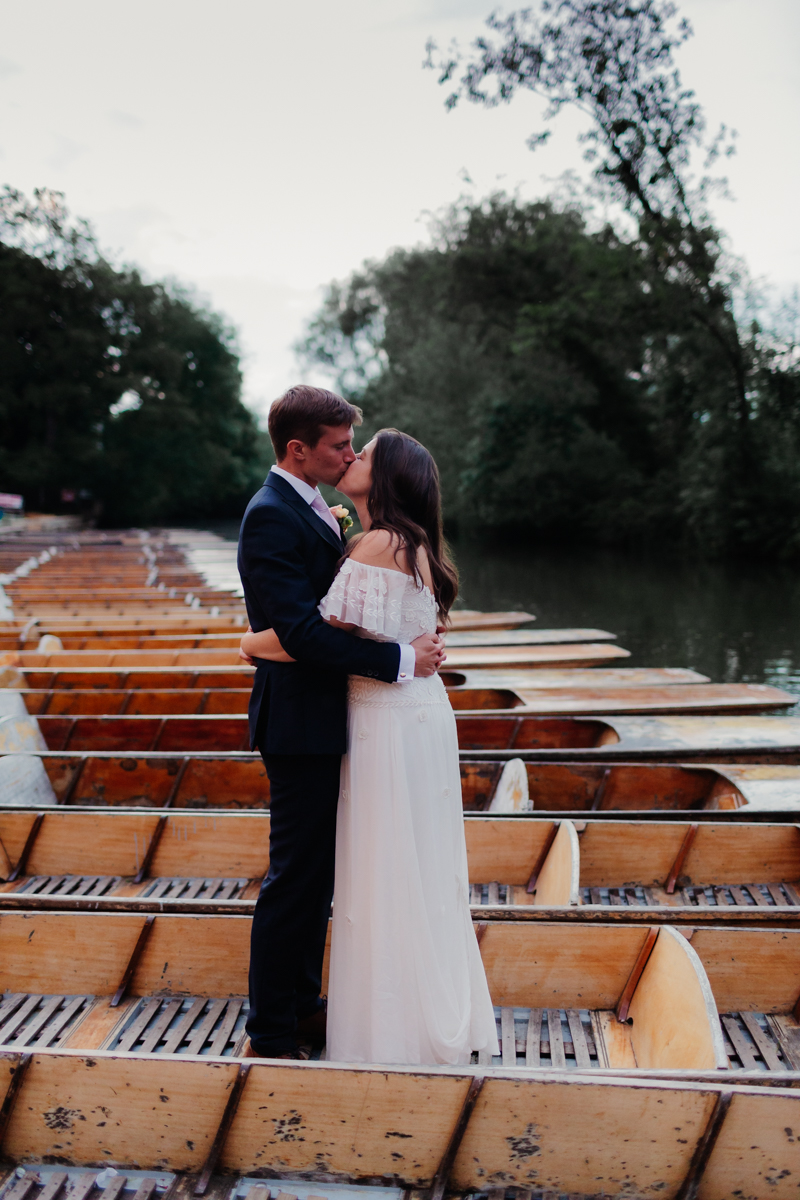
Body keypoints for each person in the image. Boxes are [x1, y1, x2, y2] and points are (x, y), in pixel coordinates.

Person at [241, 425, 498, 1065]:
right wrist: (408, 657)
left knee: (383, 868)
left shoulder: (377, 543)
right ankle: (404, 1009)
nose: (352, 456)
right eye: (346, 446)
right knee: (411, 864)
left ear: (384, 481)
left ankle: (372, 1024)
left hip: (387, 718)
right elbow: (356, 628)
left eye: (365, 454)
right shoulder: (406, 542)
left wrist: (244, 644)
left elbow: (310, 635)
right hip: (417, 716)